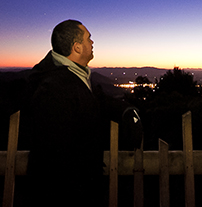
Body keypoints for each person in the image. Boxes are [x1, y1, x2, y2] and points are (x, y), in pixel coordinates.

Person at [22, 20, 140, 207]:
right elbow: (54, 160)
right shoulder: (54, 89)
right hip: (66, 196)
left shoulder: (74, 75)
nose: (92, 42)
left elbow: (96, 98)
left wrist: (127, 111)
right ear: (77, 47)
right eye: (88, 38)